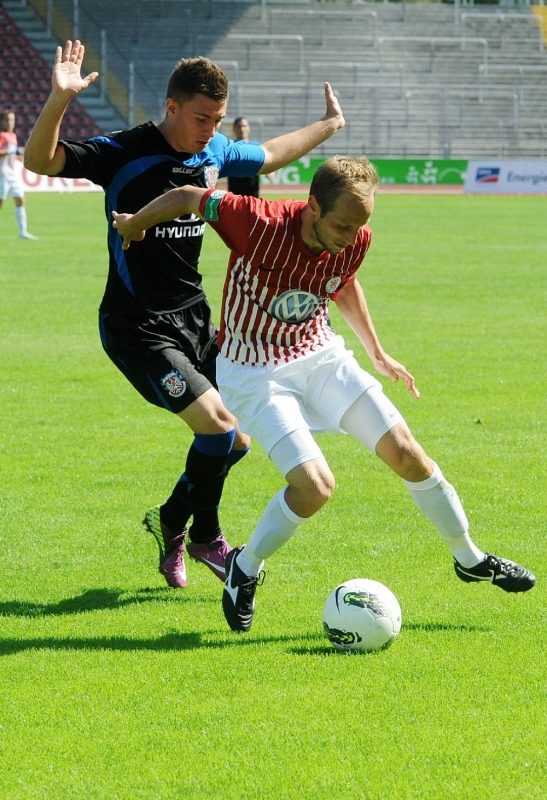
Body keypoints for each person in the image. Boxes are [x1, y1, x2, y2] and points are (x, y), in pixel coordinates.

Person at [112, 155, 536, 632]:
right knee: (315, 487)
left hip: (321, 357)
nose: (352, 237)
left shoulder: (356, 238)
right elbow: (190, 197)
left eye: (361, 226)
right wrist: (135, 222)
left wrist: (376, 351)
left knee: (408, 454)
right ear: (312, 206)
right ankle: (244, 568)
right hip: (253, 371)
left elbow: (342, 281)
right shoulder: (257, 221)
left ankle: (470, 558)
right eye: (343, 225)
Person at [23, 40, 345, 591]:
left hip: (195, 320)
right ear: (171, 107)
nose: (209, 129)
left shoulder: (213, 151)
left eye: (217, 119)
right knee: (219, 430)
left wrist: (329, 125)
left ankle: (172, 520)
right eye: (201, 117)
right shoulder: (126, 151)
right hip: (137, 326)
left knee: (237, 441)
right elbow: (39, 161)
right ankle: (204, 538)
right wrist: (58, 99)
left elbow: (268, 154)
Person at [0, 110, 38, 240]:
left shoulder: (13, 136)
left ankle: (23, 232)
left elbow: (11, 154)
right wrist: (12, 151)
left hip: (12, 175)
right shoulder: (2, 135)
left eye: (13, 120)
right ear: (3, 121)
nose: (11, 122)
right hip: (2, 174)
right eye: (9, 120)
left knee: (20, 200)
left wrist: (18, 156)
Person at [227, 117, 260, 197]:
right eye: (239, 126)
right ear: (234, 129)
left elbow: (268, 166)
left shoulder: (256, 147)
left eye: (244, 126)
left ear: (249, 128)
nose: (242, 129)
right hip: (234, 194)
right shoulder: (229, 147)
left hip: (252, 195)